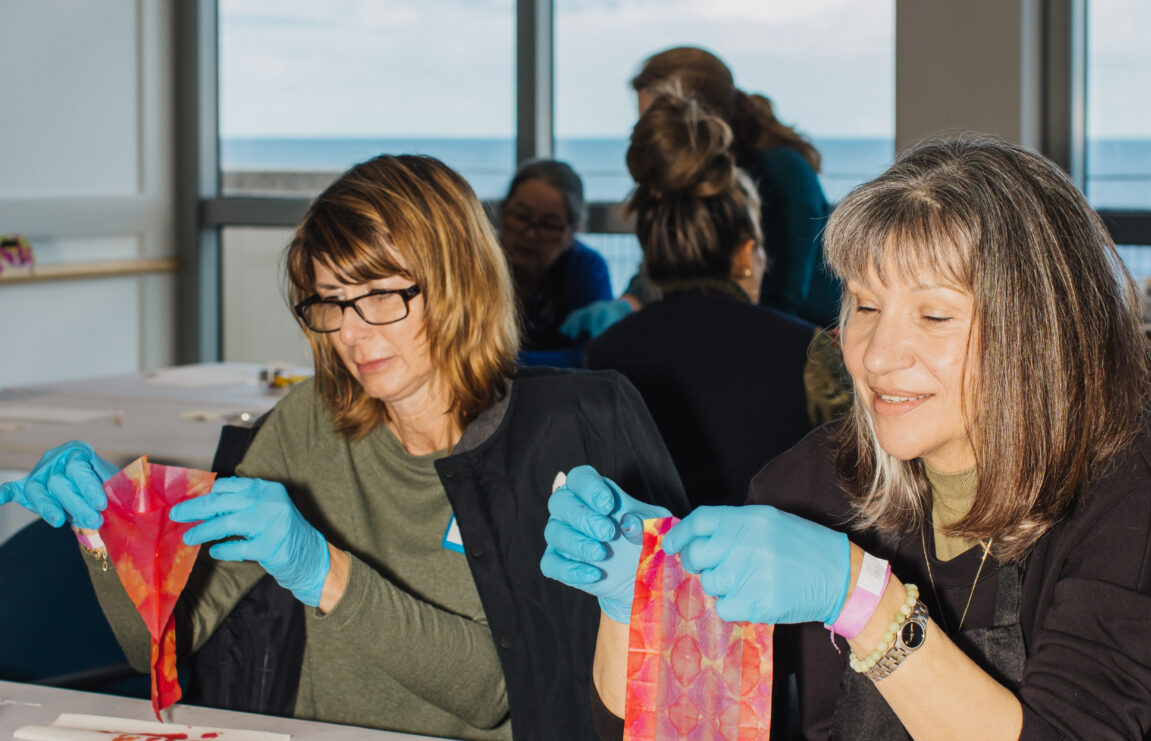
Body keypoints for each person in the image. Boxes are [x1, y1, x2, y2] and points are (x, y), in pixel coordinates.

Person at [0, 154, 687, 740]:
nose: (352, 334)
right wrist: (109, 532)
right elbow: (173, 637)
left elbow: (493, 689)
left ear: (458, 280)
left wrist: (320, 568)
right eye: (329, 301)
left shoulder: (568, 434)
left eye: (380, 295)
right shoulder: (311, 422)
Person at [544, 134, 1151, 739]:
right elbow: (692, 720)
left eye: (935, 314)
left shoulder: (1131, 479)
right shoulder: (812, 481)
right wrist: (638, 599)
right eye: (864, 305)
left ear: (1042, 331)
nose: (878, 355)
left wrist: (861, 599)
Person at [585, 87, 851, 509]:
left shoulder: (602, 352)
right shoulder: (808, 353)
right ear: (746, 256)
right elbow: (857, 486)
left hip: (650, 570)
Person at [561, 45, 838, 341]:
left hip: (810, 341)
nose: (651, 134)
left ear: (707, 113)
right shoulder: (685, 176)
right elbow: (668, 264)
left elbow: (782, 297)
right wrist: (629, 302)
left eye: (658, 119)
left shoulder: (783, 170)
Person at [498, 158, 612, 367]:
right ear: (502, 212)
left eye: (549, 225)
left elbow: (594, 355)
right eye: (521, 217)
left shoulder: (585, 267)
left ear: (573, 231)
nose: (531, 234)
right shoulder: (477, 263)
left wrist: (504, 364)